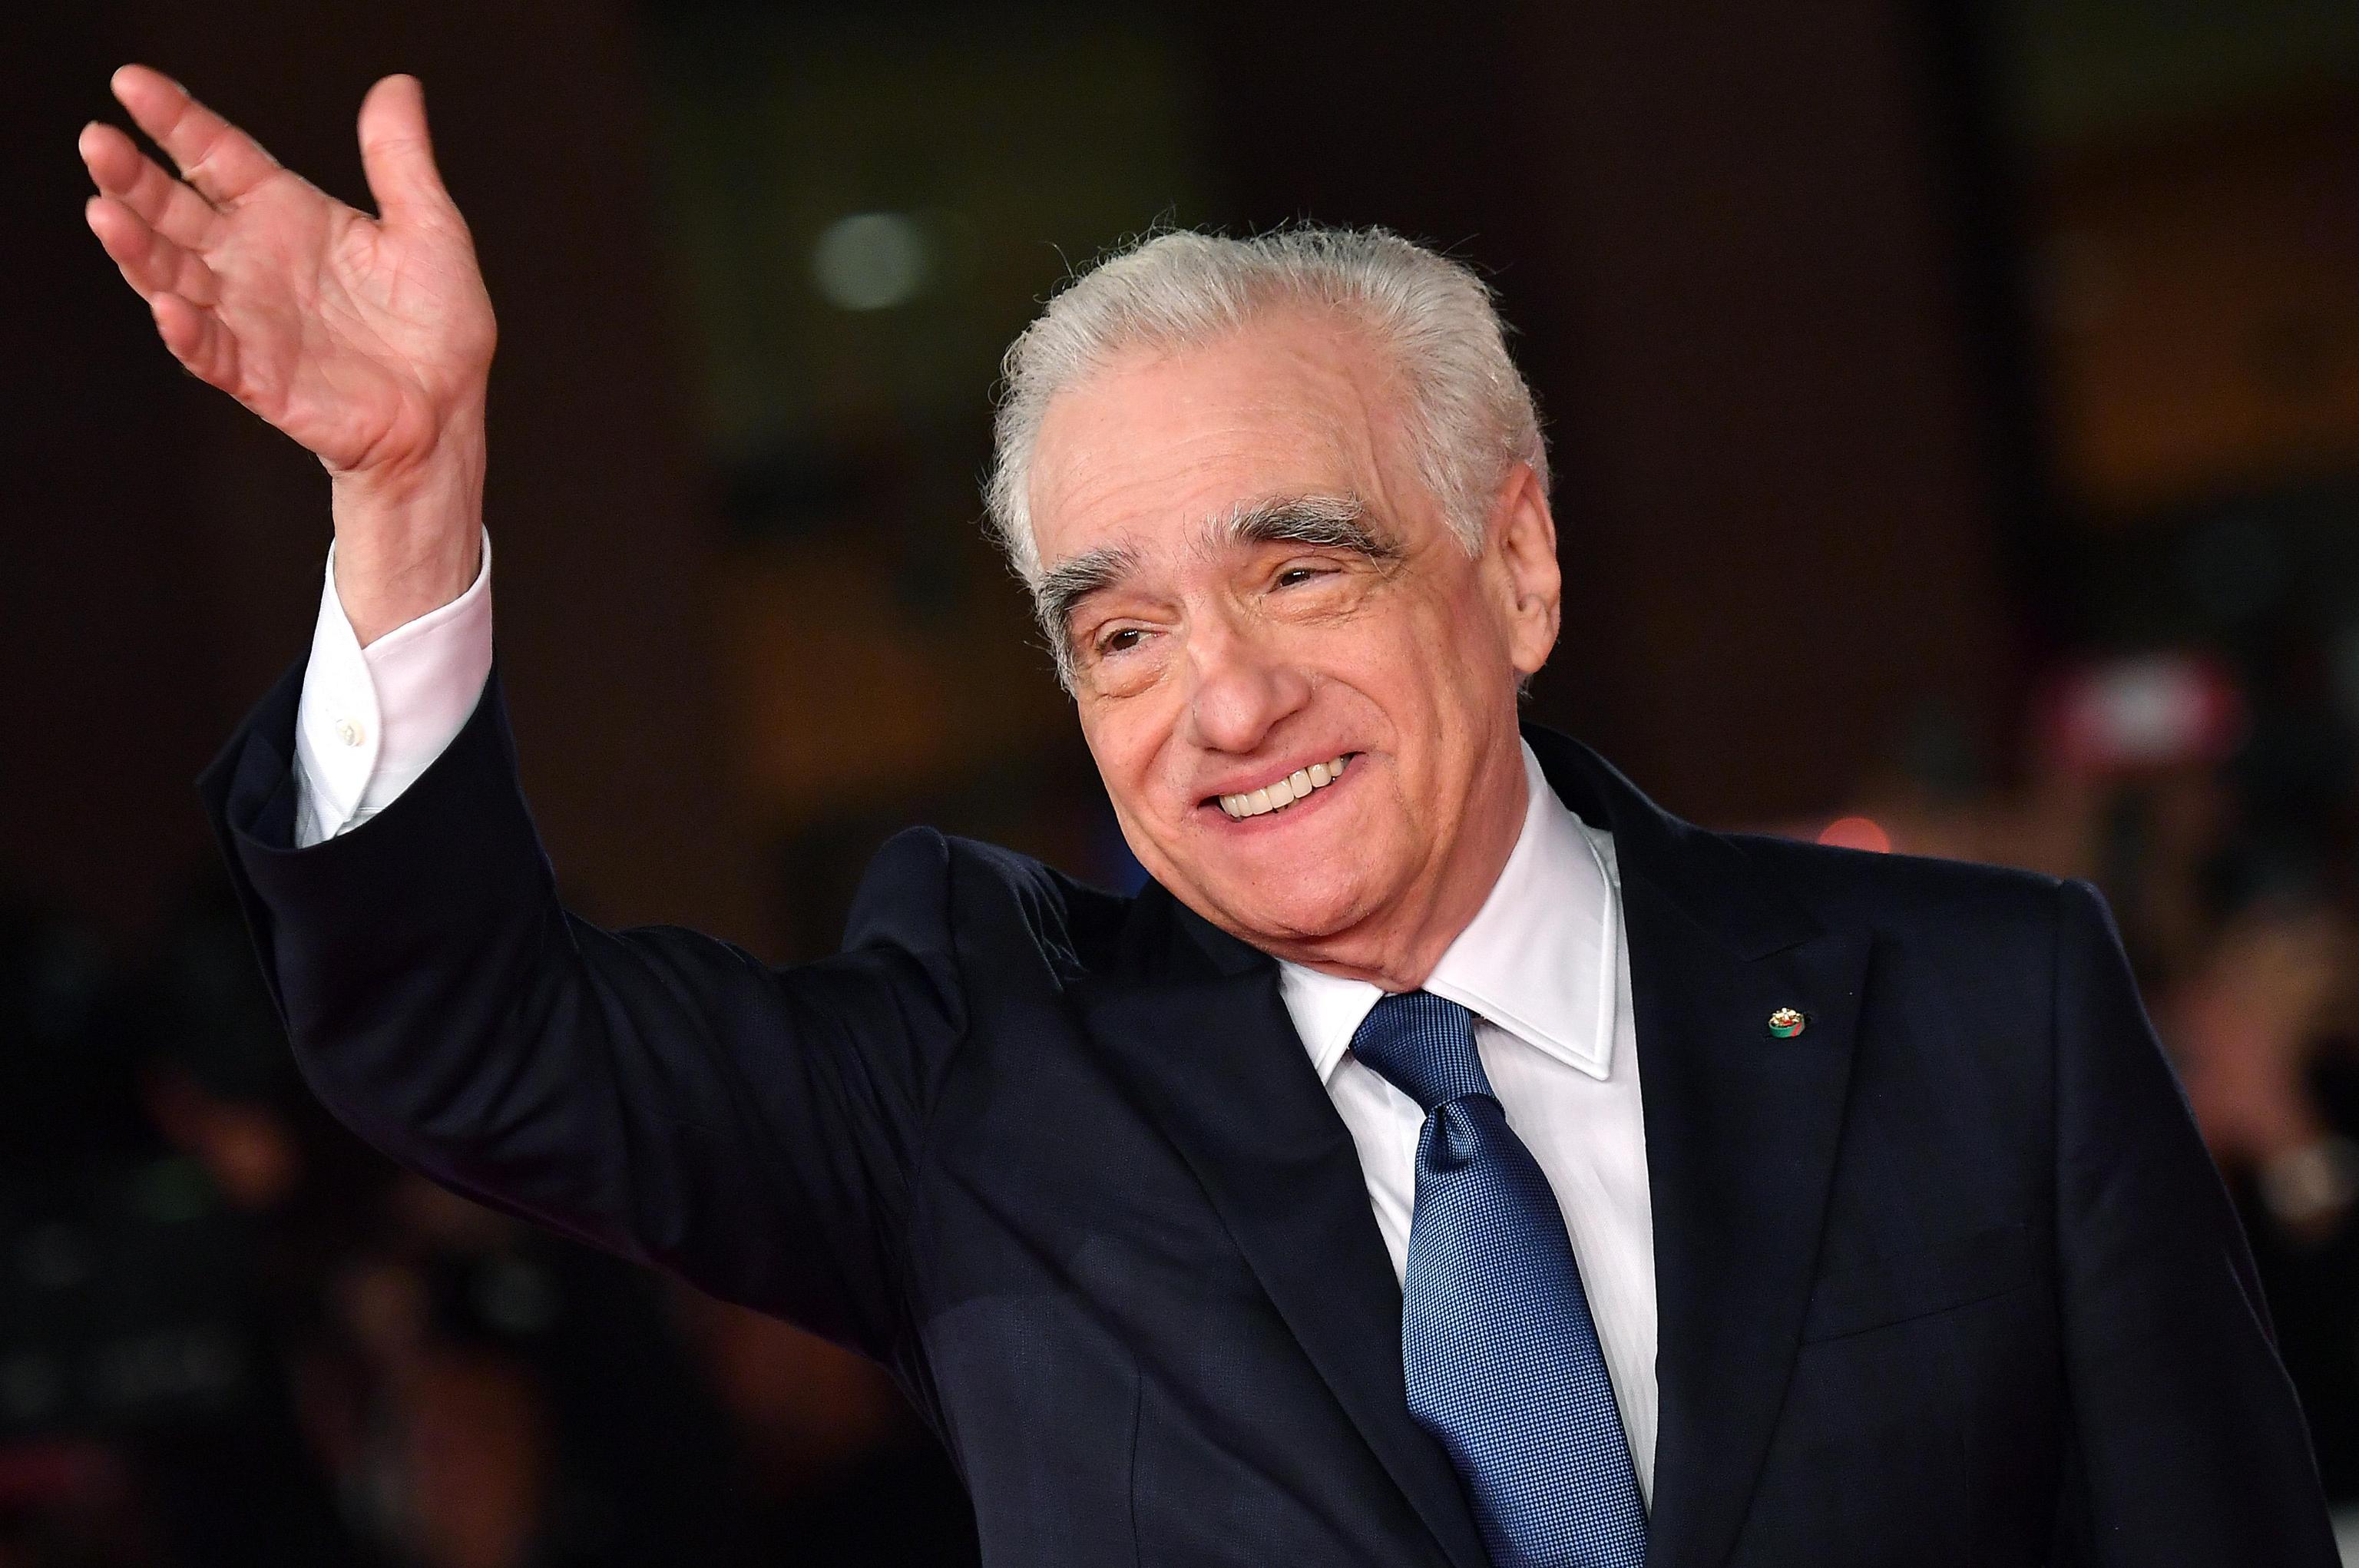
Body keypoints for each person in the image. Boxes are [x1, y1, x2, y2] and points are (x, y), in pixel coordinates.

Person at [79, 64, 2339, 1567]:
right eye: (1122, 632)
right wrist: (407, 492)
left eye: (1299, 569)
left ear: (1517, 565)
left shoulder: (1984, 1012)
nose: (1225, 700)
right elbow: (473, 1042)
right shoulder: (981, 1101)